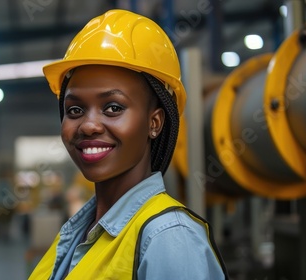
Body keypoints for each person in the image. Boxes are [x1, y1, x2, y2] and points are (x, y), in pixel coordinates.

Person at [28, 9, 229, 280]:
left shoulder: (168, 238)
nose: (88, 125)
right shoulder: (78, 232)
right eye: (74, 110)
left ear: (154, 122)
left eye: (112, 107)